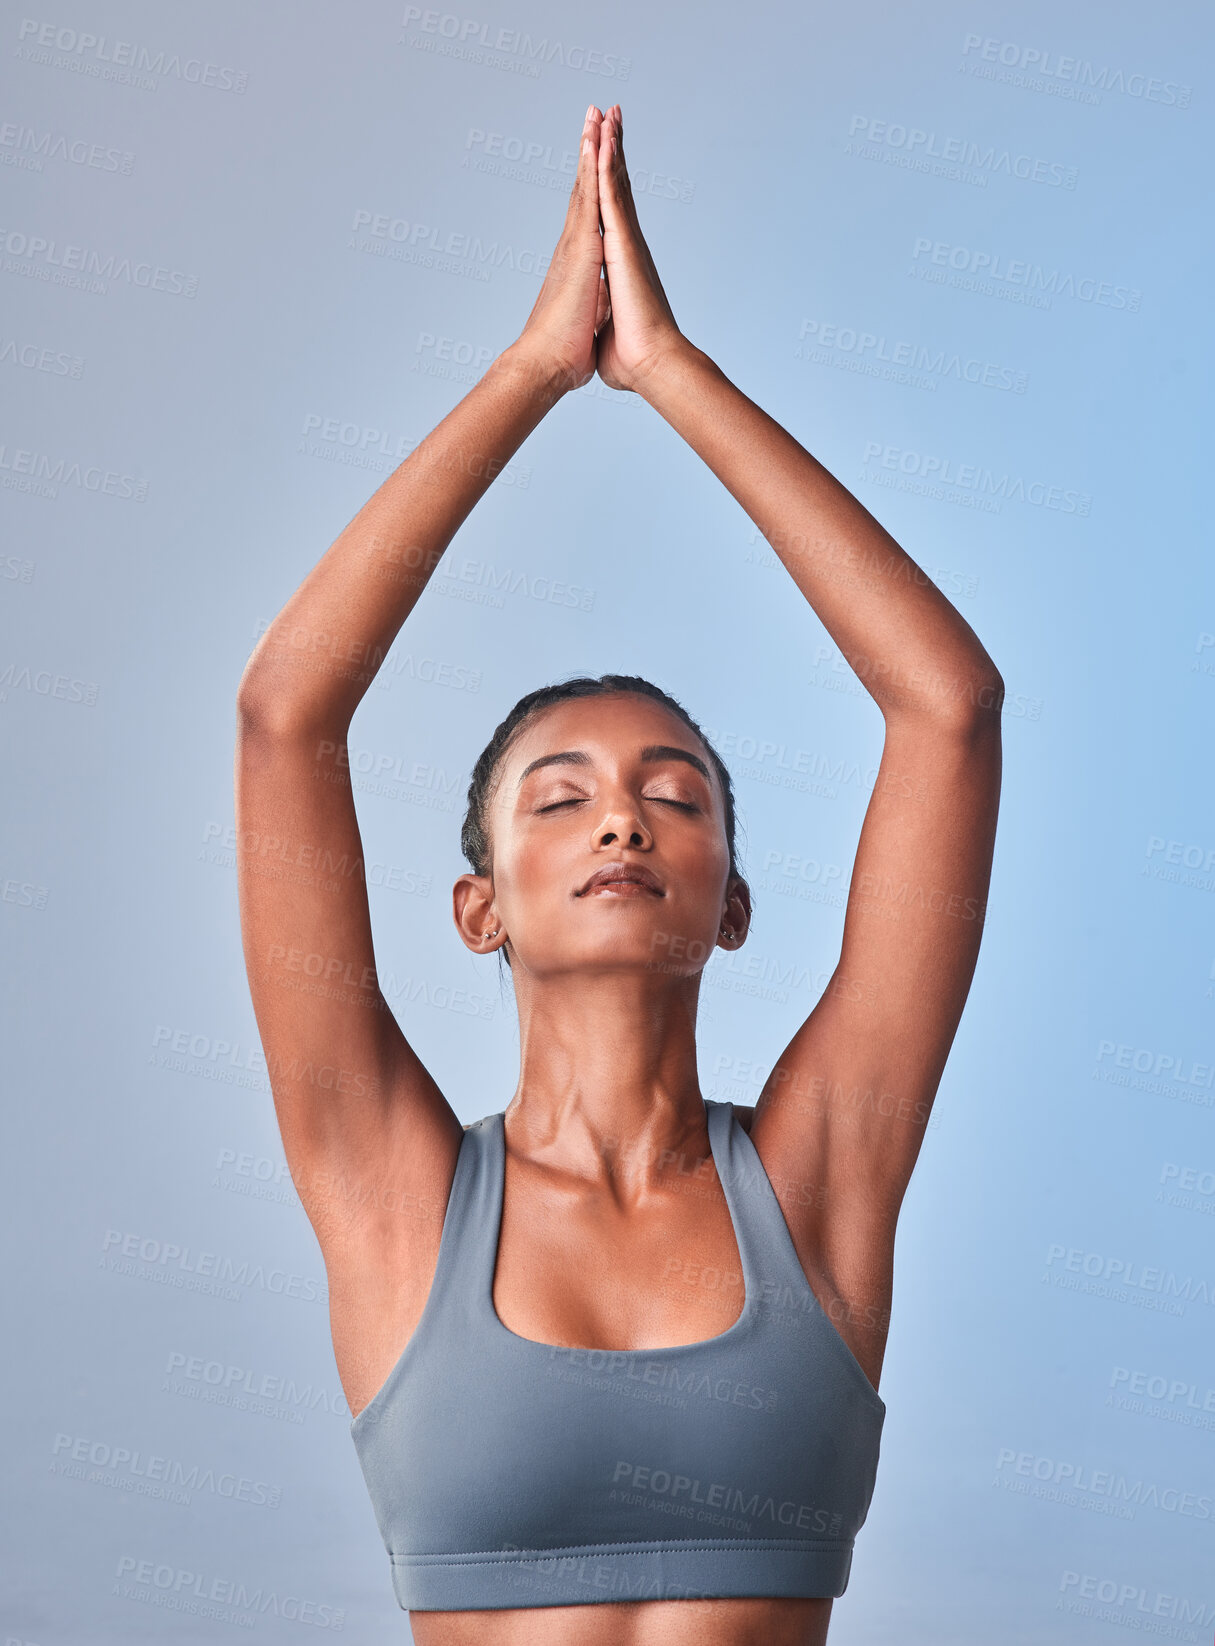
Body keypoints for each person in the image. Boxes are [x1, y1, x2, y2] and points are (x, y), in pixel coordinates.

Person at [235, 103, 1003, 1646]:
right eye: (560, 797)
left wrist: (670, 374)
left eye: (677, 795)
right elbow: (283, 717)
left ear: (730, 899)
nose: (622, 823)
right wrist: (530, 371)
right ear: (481, 908)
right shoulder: (398, 1204)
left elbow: (949, 708)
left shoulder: (817, 1181)